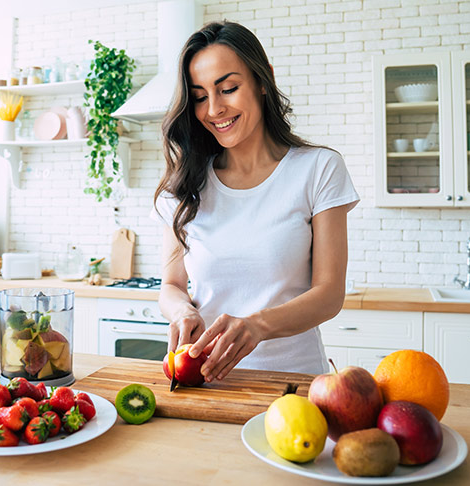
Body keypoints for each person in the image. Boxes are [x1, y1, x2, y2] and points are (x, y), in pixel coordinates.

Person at [151, 21, 359, 382]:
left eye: (228, 88)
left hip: (292, 385)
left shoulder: (318, 168)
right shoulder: (185, 184)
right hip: (208, 383)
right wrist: (182, 311)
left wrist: (257, 326)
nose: (214, 109)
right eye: (200, 97)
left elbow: (329, 294)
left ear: (263, 81)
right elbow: (170, 285)